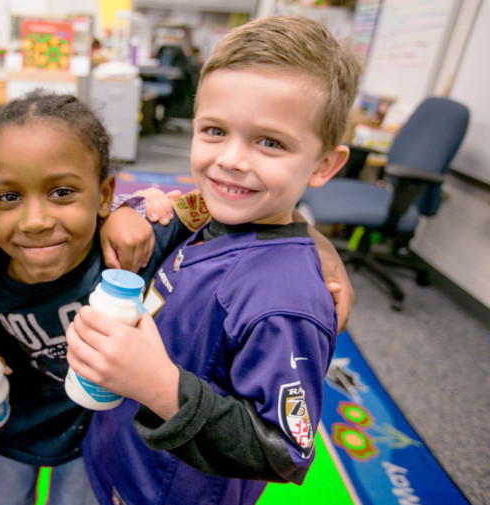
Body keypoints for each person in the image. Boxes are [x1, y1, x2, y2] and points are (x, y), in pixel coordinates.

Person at [66, 15, 361, 505]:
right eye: (215, 131)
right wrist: (130, 214)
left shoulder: (284, 303)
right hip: (122, 461)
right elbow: (171, 213)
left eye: (270, 142)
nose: (232, 159)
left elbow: (285, 452)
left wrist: (159, 385)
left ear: (324, 164)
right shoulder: (214, 212)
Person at [0, 90, 206, 505]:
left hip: (97, 432)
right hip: (17, 426)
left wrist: (311, 241)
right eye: (9, 198)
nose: (34, 222)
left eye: (62, 192)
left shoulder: (125, 250)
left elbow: (225, 206)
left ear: (103, 195)